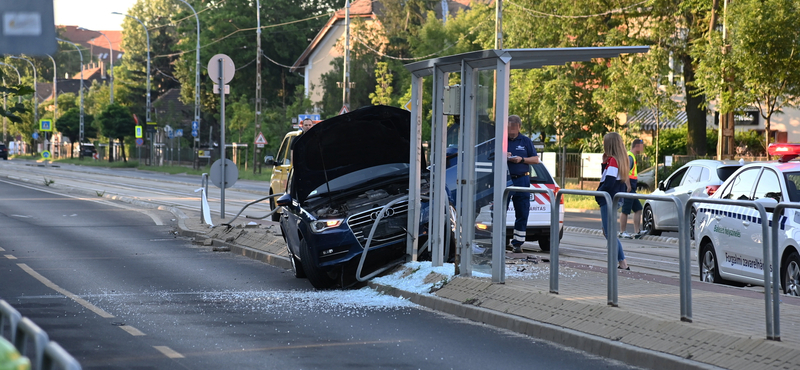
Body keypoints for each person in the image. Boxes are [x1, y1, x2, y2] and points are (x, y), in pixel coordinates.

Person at [596, 132, 631, 270]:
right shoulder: (617, 160)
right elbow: (607, 176)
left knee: (608, 232)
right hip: (612, 198)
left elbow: (608, 181)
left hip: (608, 198)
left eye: (605, 143)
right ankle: (622, 262)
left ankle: (622, 262)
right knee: (608, 231)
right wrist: (604, 163)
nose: (603, 145)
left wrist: (598, 194)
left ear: (609, 144)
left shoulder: (614, 161)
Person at [506, 115, 540, 253]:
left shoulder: (525, 141)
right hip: (505, 179)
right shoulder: (501, 140)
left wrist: (521, 159)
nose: (512, 131)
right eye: (509, 128)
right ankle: (500, 241)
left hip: (522, 179)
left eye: (514, 128)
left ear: (519, 127)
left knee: (522, 212)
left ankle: (518, 243)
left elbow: (536, 160)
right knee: (499, 211)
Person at [619, 138, 645, 239]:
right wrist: (628, 185)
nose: (643, 149)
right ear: (637, 146)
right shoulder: (630, 157)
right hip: (628, 188)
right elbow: (625, 172)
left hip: (632, 188)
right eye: (642, 146)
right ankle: (622, 232)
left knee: (638, 209)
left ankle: (637, 232)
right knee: (625, 210)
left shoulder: (632, 156)